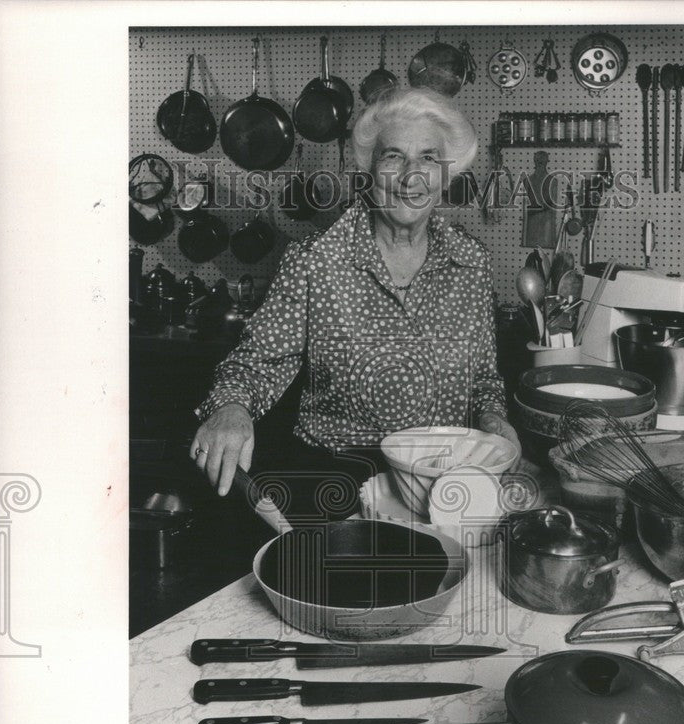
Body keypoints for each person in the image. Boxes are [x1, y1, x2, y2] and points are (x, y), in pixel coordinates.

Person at [191, 87, 518, 519]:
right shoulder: (317, 260)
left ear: (448, 172)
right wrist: (231, 407)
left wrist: (495, 421)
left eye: (428, 158)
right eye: (394, 157)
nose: (411, 177)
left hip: (446, 486)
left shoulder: (471, 262)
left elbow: (484, 380)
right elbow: (255, 363)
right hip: (336, 483)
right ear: (369, 169)